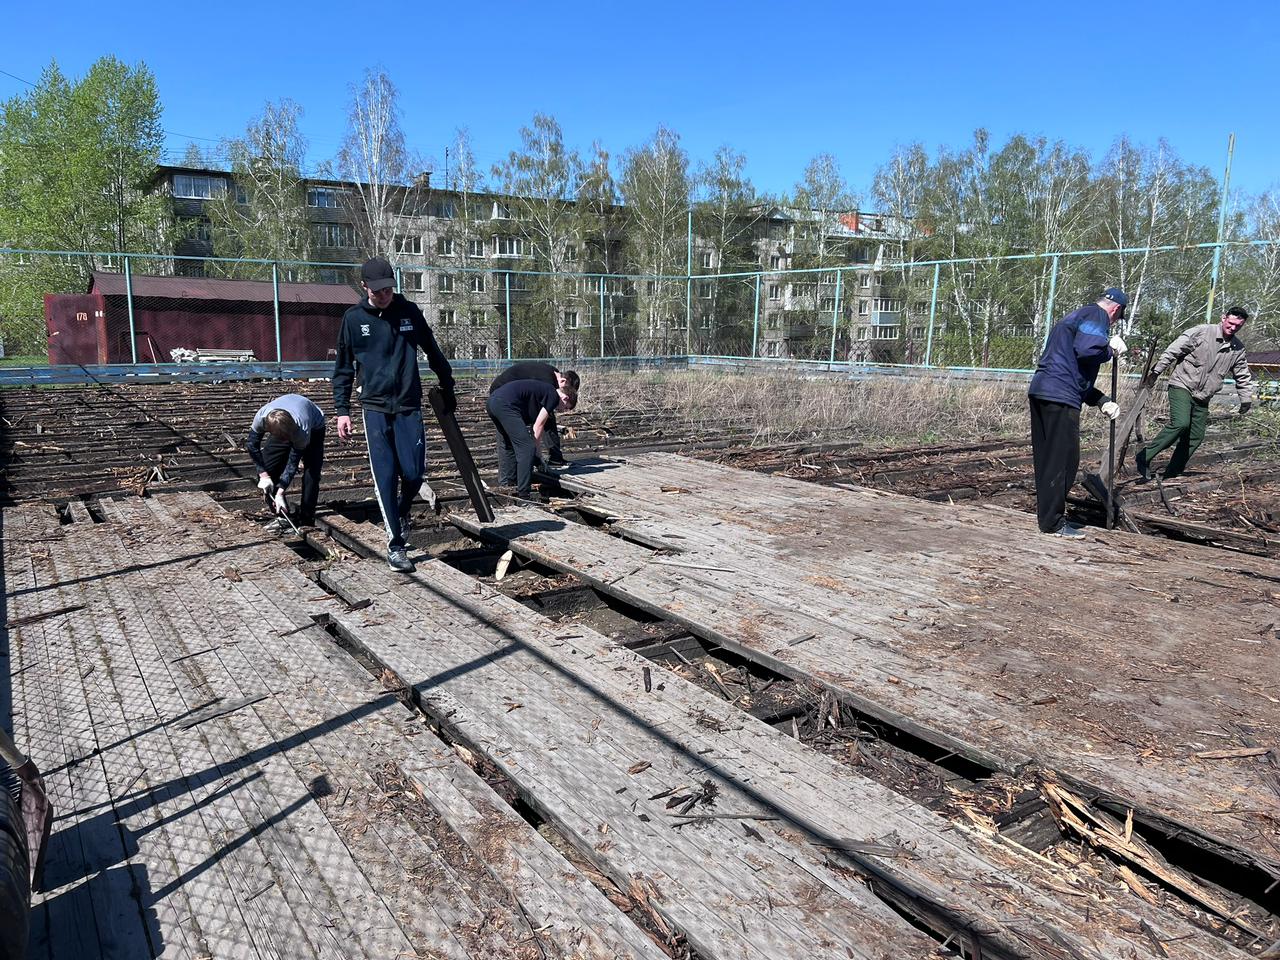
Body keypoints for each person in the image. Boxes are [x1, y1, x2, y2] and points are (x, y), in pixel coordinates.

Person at [333, 257, 456, 573]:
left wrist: (447, 383)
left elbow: (432, 349)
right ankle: (396, 545)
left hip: (408, 404)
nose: (384, 294)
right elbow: (343, 368)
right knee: (385, 476)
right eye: (378, 290)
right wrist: (342, 411)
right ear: (365, 287)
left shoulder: (409, 312)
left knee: (414, 474)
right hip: (373, 407)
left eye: (388, 288)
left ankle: (403, 511)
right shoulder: (352, 319)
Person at [1027, 288, 1128, 538]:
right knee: (1064, 461)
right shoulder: (1097, 316)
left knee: (1048, 460)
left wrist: (1100, 399)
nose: (1113, 324)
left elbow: (1070, 366)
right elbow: (1088, 350)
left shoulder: (1076, 316)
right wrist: (1109, 350)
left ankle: (1049, 519)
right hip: (1060, 395)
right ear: (1115, 311)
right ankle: (1052, 523)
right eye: (1116, 319)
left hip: (1043, 390)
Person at [1135, 307, 1254, 482]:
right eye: (1231, 323)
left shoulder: (1237, 349)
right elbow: (1173, 350)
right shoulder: (1201, 332)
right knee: (1181, 423)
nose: (1233, 328)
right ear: (1223, 318)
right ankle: (1144, 456)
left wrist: (1245, 398)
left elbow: (1242, 374)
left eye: (1238, 326)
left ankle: (1172, 473)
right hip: (1183, 385)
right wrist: (1156, 372)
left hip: (1204, 395)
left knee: (1196, 436)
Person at [486, 378, 577, 501]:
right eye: (566, 408)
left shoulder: (543, 392)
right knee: (527, 448)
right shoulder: (553, 395)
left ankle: (508, 485)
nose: (561, 411)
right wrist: (537, 455)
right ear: (565, 398)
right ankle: (524, 496)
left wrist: (537, 456)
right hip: (505, 404)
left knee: (509, 445)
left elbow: (534, 428)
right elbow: (538, 426)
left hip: (492, 402)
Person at [246, 394, 325, 531]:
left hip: (314, 427)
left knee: (311, 473)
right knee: (268, 467)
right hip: (283, 426)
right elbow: (252, 445)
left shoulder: (302, 431)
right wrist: (264, 475)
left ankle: (306, 519)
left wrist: (280, 492)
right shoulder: (262, 417)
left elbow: (293, 463)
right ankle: (282, 515)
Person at [488, 361, 581, 466]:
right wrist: (538, 455)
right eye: (567, 389)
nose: (566, 393)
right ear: (563, 381)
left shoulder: (553, 373)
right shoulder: (549, 382)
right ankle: (515, 471)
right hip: (501, 393)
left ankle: (546, 459)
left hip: (509, 394)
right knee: (507, 437)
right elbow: (540, 424)